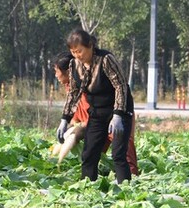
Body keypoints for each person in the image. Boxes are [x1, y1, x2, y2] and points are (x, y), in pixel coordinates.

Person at [57, 28, 135, 183]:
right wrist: (64, 119)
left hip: (118, 110)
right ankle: (88, 188)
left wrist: (118, 115)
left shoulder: (105, 59)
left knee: (118, 154)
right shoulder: (74, 65)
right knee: (89, 153)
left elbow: (121, 86)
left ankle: (127, 191)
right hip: (97, 112)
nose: (77, 56)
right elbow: (73, 92)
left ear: (90, 46)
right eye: (73, 52)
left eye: (80, 51)